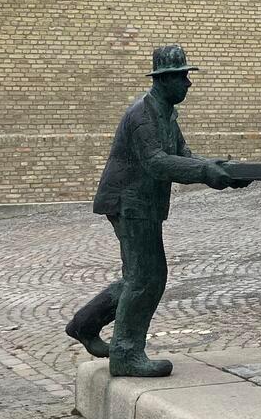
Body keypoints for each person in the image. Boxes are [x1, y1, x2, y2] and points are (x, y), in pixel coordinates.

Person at [65, 45, 248, 377]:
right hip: (128, 201)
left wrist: (222, 172)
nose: (189, 84)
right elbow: (157, 162)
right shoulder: (142, 116)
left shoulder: (167, 114)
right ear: (165, 80)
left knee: (140, 275)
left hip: (144, 202)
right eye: (183, 77)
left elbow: (182, 154)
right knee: (147, 277)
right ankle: (126, 354)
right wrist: (206, 171)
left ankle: (85, 324)